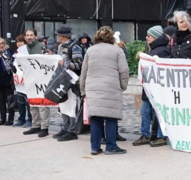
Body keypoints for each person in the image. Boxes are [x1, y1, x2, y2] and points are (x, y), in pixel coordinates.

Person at [80, 26, 129, 155]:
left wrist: (83, 90)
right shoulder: (117, 51)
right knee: (111, 118)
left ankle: (95, 147)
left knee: (96, 118)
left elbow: (83, 72)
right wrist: (123, 86)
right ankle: (111, 147)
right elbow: (124, 71)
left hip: (93, 88)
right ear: (111, 37)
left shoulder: (90, 50)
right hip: (111, 87)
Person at [133, 26, 171, 148]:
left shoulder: (161, 50)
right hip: (149, 87)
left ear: (155, 36)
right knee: (145, 112)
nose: (146, 37)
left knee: (157, 112)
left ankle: (161, 135)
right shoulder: (155, 49)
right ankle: (147, 134)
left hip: (156, 88)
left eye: (149, 36)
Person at [53, 26, 84, 142]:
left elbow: (79, 65)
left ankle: (72, 130)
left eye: (58, 34)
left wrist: (65, 63)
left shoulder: (75, 47)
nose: (57, 36)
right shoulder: (61, 46)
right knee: (63, 104)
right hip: (62, 79)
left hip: (72, 81)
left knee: (71, 105)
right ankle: (65, 128)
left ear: (63, 36)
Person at [23, 29, 51, 137]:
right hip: (29, 79)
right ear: (25, 37)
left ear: (35, 36)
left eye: (31, 35)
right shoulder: (23, 49)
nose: (29, 37)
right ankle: (35, 125)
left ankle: (44, 127)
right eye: (27, 35)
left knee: (42, 103)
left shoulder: (41, 46)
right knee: (32, 103)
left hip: (41, 79)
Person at [12, 35, 33, 127]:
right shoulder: (15, 53)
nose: (19, 43)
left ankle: (30, 119)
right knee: (20, 101)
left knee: (28, 102)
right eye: (17, 41)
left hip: (27, 79)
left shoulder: (28, 52)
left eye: (21, 41)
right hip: (19, 81)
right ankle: (21, 118)